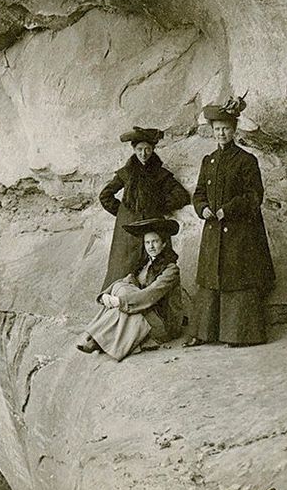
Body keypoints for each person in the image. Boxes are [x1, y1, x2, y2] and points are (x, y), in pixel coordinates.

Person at [187, 96, 276, 347]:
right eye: (217, 130)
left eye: (226, 129)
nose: (221, 133)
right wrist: (202, 209)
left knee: (237, 281)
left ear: (234, 130)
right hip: (214, 231)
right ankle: (204, 333)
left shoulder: (247, 160)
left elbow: (254, 196)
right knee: (210, 281)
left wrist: (230, 209)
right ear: (212, 132)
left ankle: (239, 335)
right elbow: (199, 193)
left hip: (239, 233)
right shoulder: (208, 161)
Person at [77, 218, 183, 361]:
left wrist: (119, 301)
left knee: (124, 303)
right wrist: (106, 296)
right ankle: (97, 339)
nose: (151, 246)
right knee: (120, 287)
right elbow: (127, 281)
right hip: (144, 311)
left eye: (155, 242)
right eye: (147, 242)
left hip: (162, 322)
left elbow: (150, 294)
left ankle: (96, 339)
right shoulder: (145, 264)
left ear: (164, 244)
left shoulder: (171, 270)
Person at [98, 127, 189, 290]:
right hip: (127, 233)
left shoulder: (160, 174)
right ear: (133, 150)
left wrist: (158, 206)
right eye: (139, 149)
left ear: (153, 150)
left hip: (153, 228)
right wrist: (124, 212)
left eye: (147, 149)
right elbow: (105, 196)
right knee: (123, 270)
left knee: (153, 270)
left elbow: (181, 195)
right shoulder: (126, 173)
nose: (143, 153)